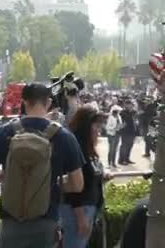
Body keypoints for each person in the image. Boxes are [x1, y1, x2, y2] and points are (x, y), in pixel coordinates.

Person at [0, 83, 85, 248]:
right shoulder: (64, 136)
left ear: (24, 102)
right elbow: (77, 184)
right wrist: (47, 182)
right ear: (49, 103)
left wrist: (15, 178)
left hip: (11, 220)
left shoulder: (4, 132)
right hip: (46, 220)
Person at [61, 106, 110, 248]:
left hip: (90, 207)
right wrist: (81, 217)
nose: (99, 130)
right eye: (96, 126)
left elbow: (90, 174)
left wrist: (101, 176)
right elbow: (73, 186)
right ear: (86, 126)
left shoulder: (88, 148)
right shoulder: (75, 147)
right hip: (76, 212)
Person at [119, 100, 137, 166]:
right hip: (125, 132)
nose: (130, 106)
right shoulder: (122, 112)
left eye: (131, 104)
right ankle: (122, 160)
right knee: (124, 146)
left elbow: (135, 121)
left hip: (132, 131)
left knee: (130, 146)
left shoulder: (133, 112)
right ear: (125, 105)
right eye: (128, 104)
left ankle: (127, 159)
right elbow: (126, 119)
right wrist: (131, 113)